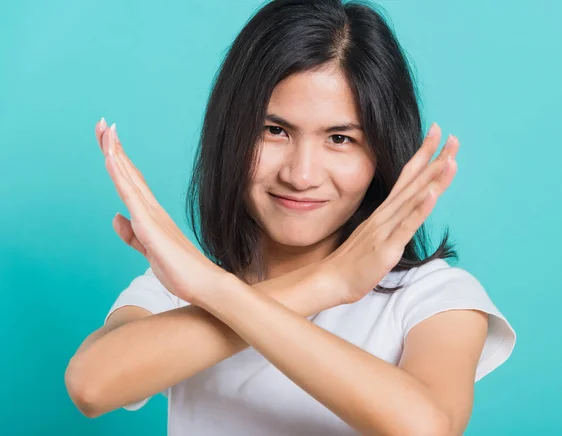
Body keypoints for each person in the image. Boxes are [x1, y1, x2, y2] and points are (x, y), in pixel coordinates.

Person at [65, 0, 516, 434]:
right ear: (232, 134)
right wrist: (324, 284)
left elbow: (427, 427)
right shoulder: (180, 287)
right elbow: (92, 385)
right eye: (275, 130)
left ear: (381, 152)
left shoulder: (434, 297)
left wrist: (215, 290)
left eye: (340, 138)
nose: (301, 175)